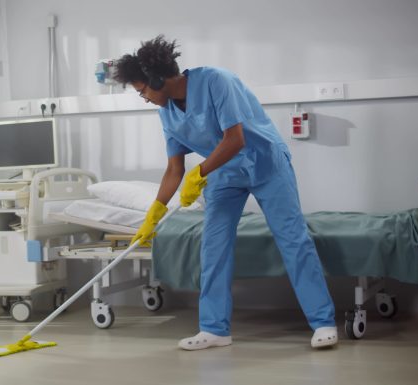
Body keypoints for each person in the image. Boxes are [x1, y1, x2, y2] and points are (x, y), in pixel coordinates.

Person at [112, 35, 338, 350]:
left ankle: (323, 321)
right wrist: (155, 212)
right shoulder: (166, 112)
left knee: (292, 239)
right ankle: (214, 329)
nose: (144, 97)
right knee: (213, 247)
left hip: (266, 164)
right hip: (223, 174)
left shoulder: (216, 81)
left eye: (143, 90)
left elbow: (235, 140)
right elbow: (174, 169)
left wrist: (199, 173)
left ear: (156, 78)